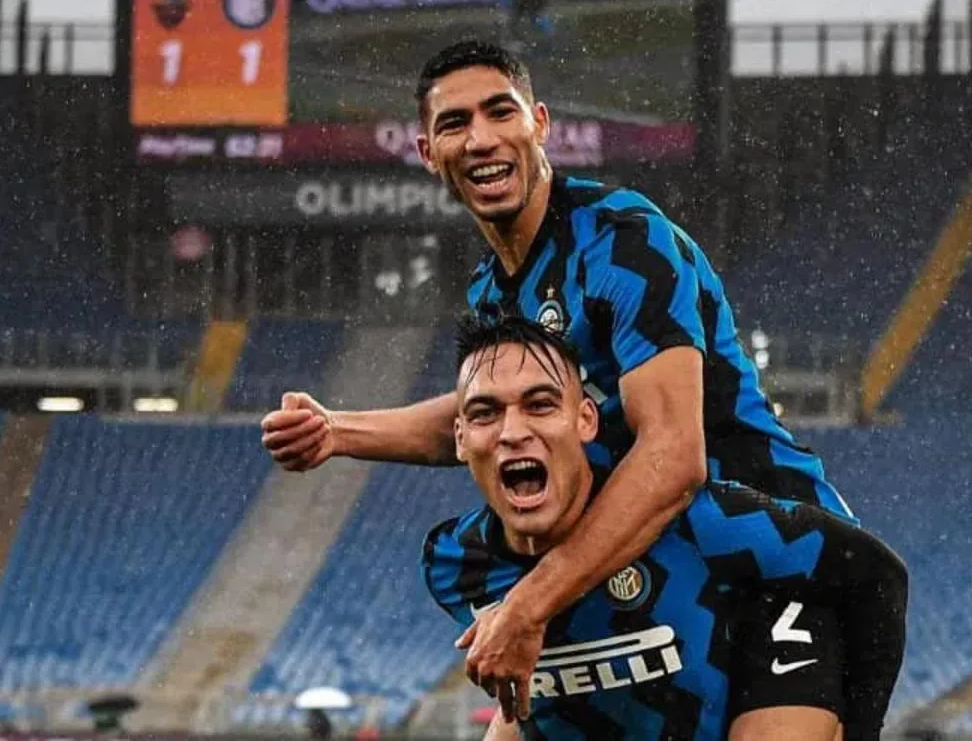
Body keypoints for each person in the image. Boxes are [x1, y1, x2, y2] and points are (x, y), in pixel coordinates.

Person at [260, 39, 906, 740]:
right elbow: (485, 417)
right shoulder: (492, 293)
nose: (480, 139)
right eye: (455, 124)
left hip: (768, 553)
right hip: (648, 554)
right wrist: (338, 432)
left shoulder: (624, 243)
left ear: (539, 123)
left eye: (499, 112)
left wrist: (528, 605)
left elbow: (674, 457)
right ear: (427, 152)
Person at [422, 314, 908, 740]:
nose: (512, 432)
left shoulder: (699, 523)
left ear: (586, 420)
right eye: (485, 413)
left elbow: (876, 574)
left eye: (540, 405)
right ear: (460, 439)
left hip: (767, 648)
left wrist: (862, 730)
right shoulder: (456, 565)